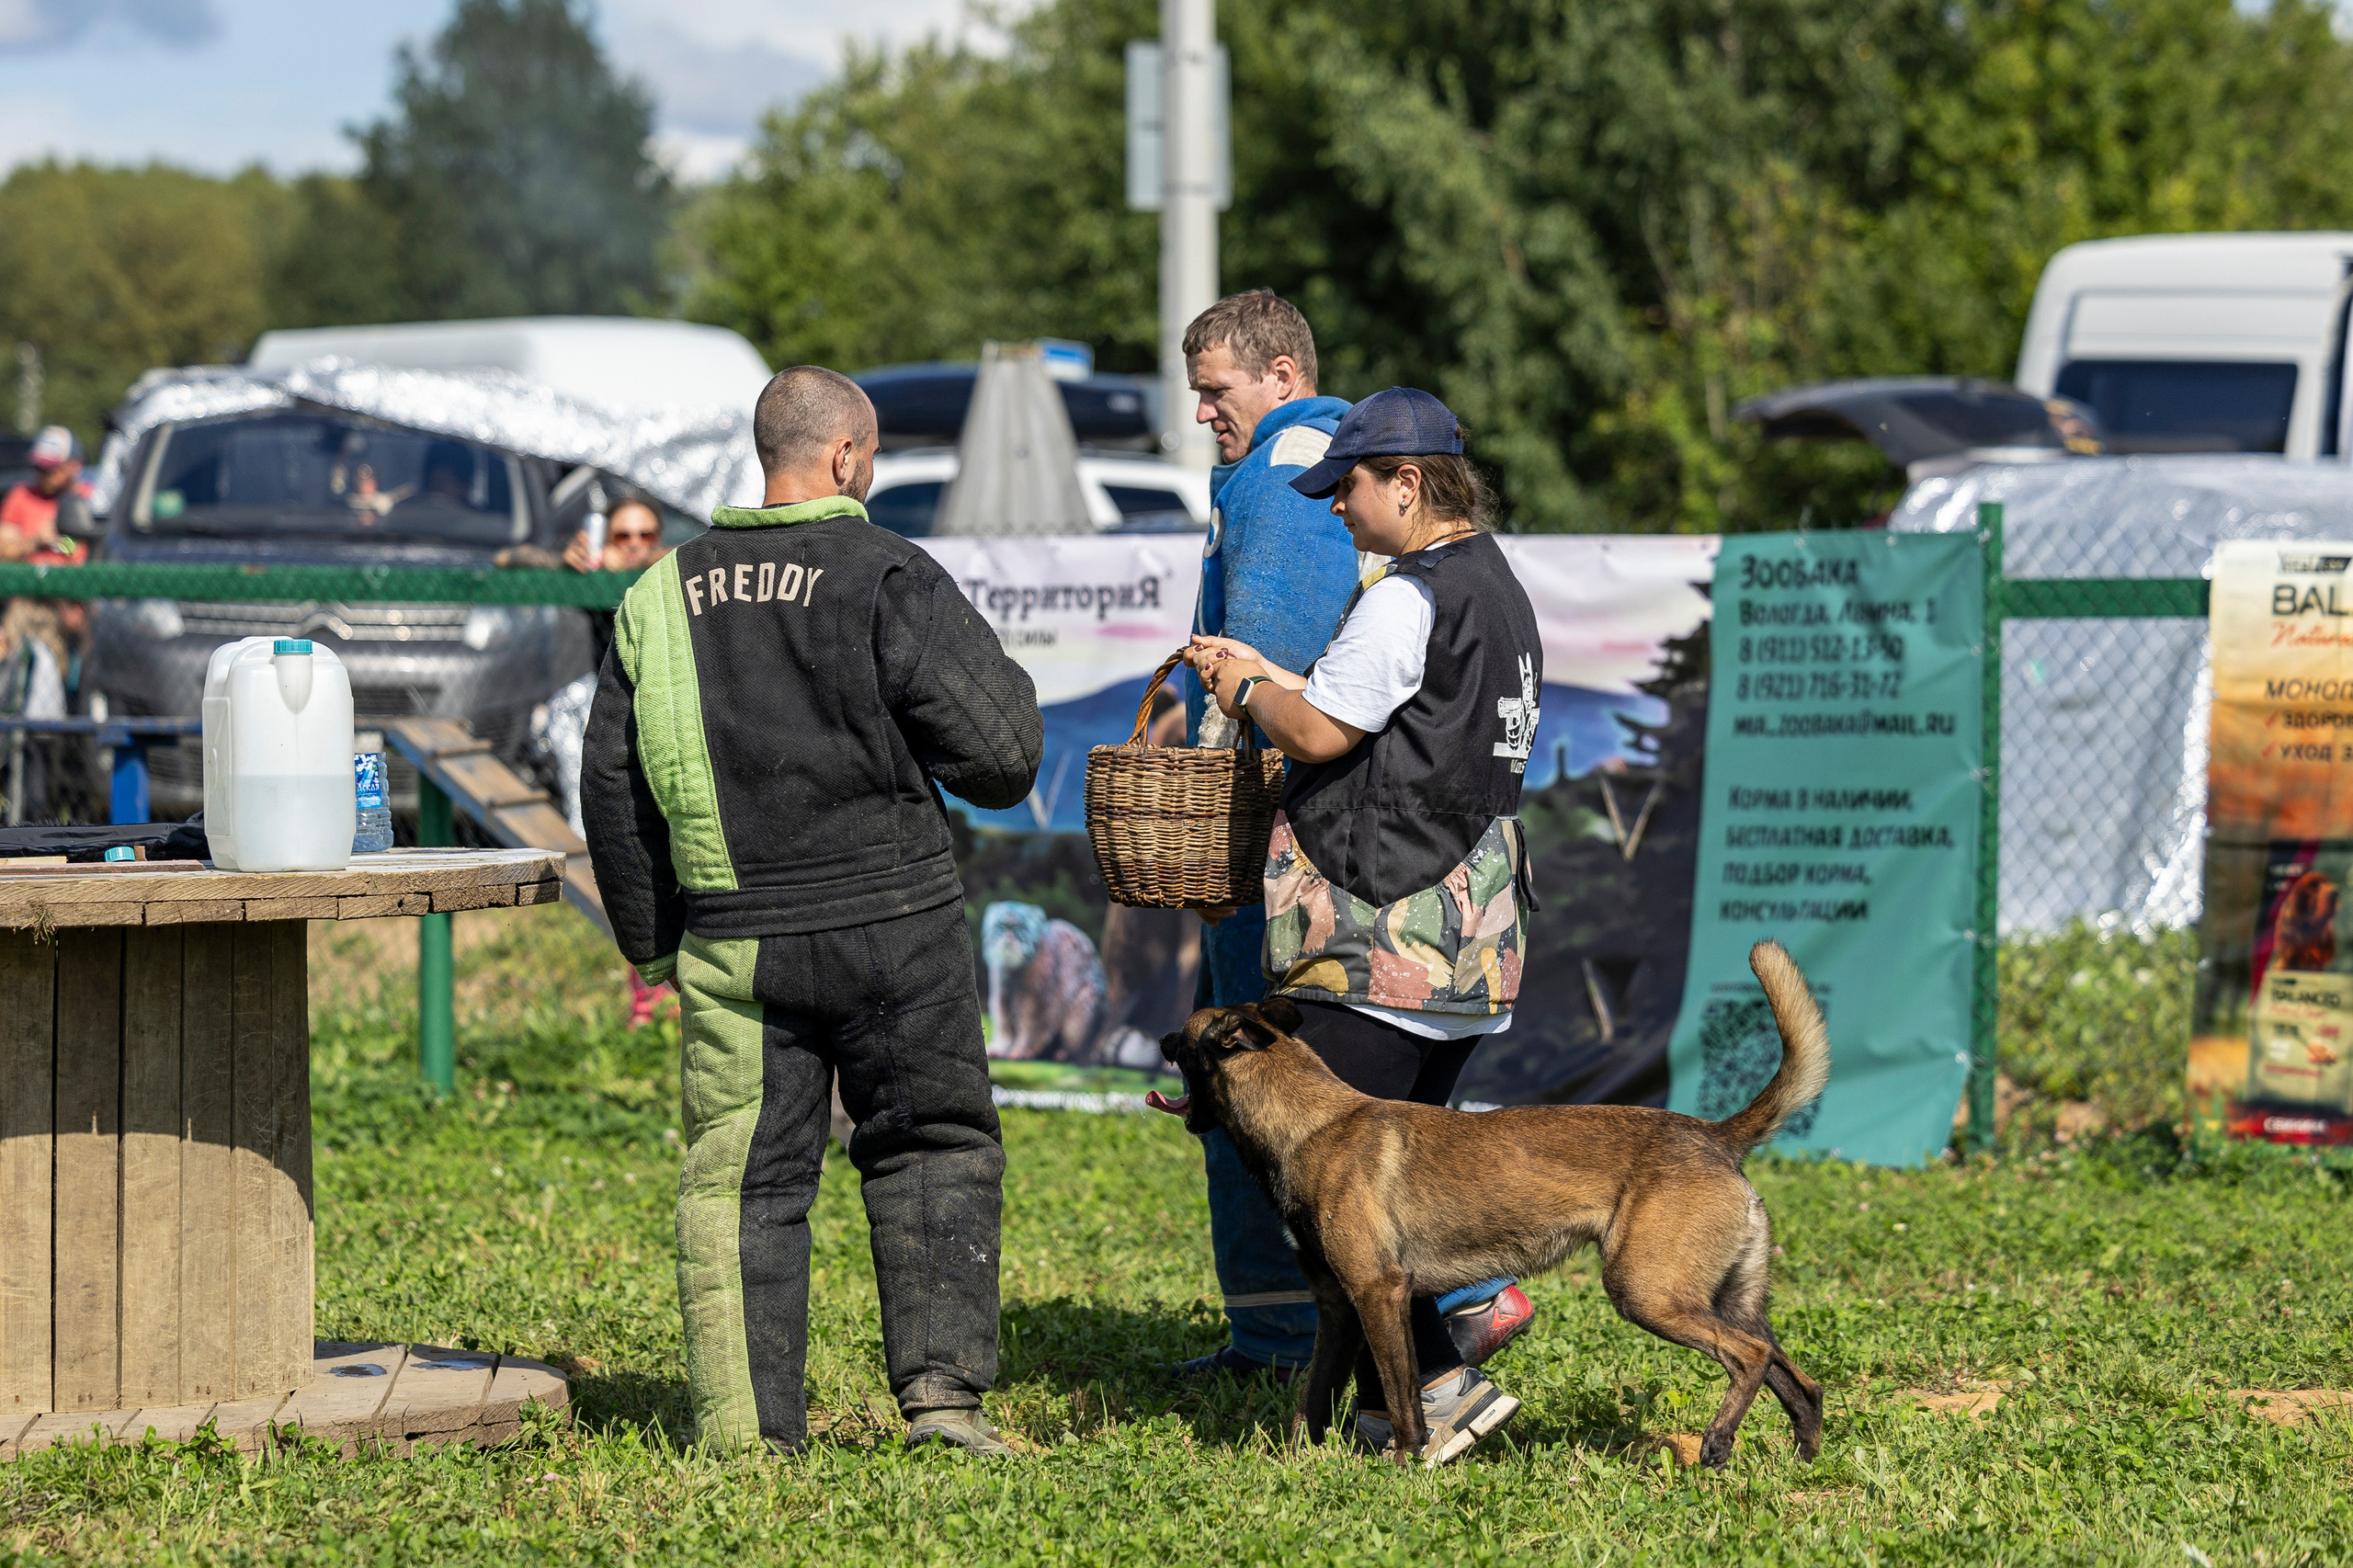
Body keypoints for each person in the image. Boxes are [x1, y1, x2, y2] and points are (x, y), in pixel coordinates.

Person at [581, 366, 1042, 1456]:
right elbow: (1006, 754)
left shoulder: (657, 593)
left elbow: (611, 781)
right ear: (844, 457)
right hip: (901, 930)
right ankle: (942, 1404)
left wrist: (654, 943)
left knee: (743, 1182)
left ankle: (748, 1439)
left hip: (740, 942)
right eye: (868, 456)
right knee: (931, 1144)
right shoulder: (887, 572)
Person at [1175, 291, 1531, 1382]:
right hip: (1474, 920)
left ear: (1406, 484)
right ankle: (1395, 1392)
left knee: (1328, 1163)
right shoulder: (1496, 585)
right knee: (1404, 1169)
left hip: (1392, 924)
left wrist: (1242, 691)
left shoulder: (1408, 598)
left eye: (1351, 491)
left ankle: (1443, 1364)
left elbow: (1322, 726)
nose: (1335, 511)